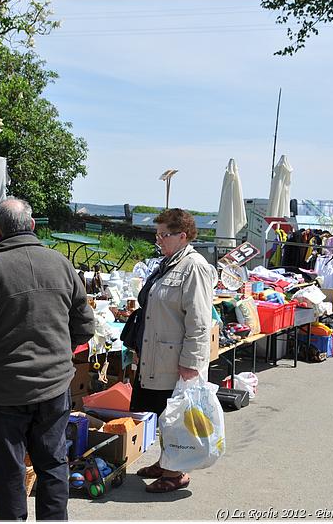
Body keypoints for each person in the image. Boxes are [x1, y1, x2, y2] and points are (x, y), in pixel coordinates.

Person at [0, 197, 95, 521]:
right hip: (52, 387)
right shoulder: (60, 263)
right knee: (53, 463)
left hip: (5, 392)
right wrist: (57, 355)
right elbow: (85, 325)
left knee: (7, 472)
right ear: (31, 226)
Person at [129, 208, 216, 493]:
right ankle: (165, 461)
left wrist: (191, 363)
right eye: (157, 234)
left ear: (183, 235)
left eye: (164, 234)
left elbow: (200, 321)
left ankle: (176, 473)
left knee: (175, 414)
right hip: (156, 355)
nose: (159, 240)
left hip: (176, 359)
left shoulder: (195, 266)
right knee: (159, 410)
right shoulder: (167, 263)